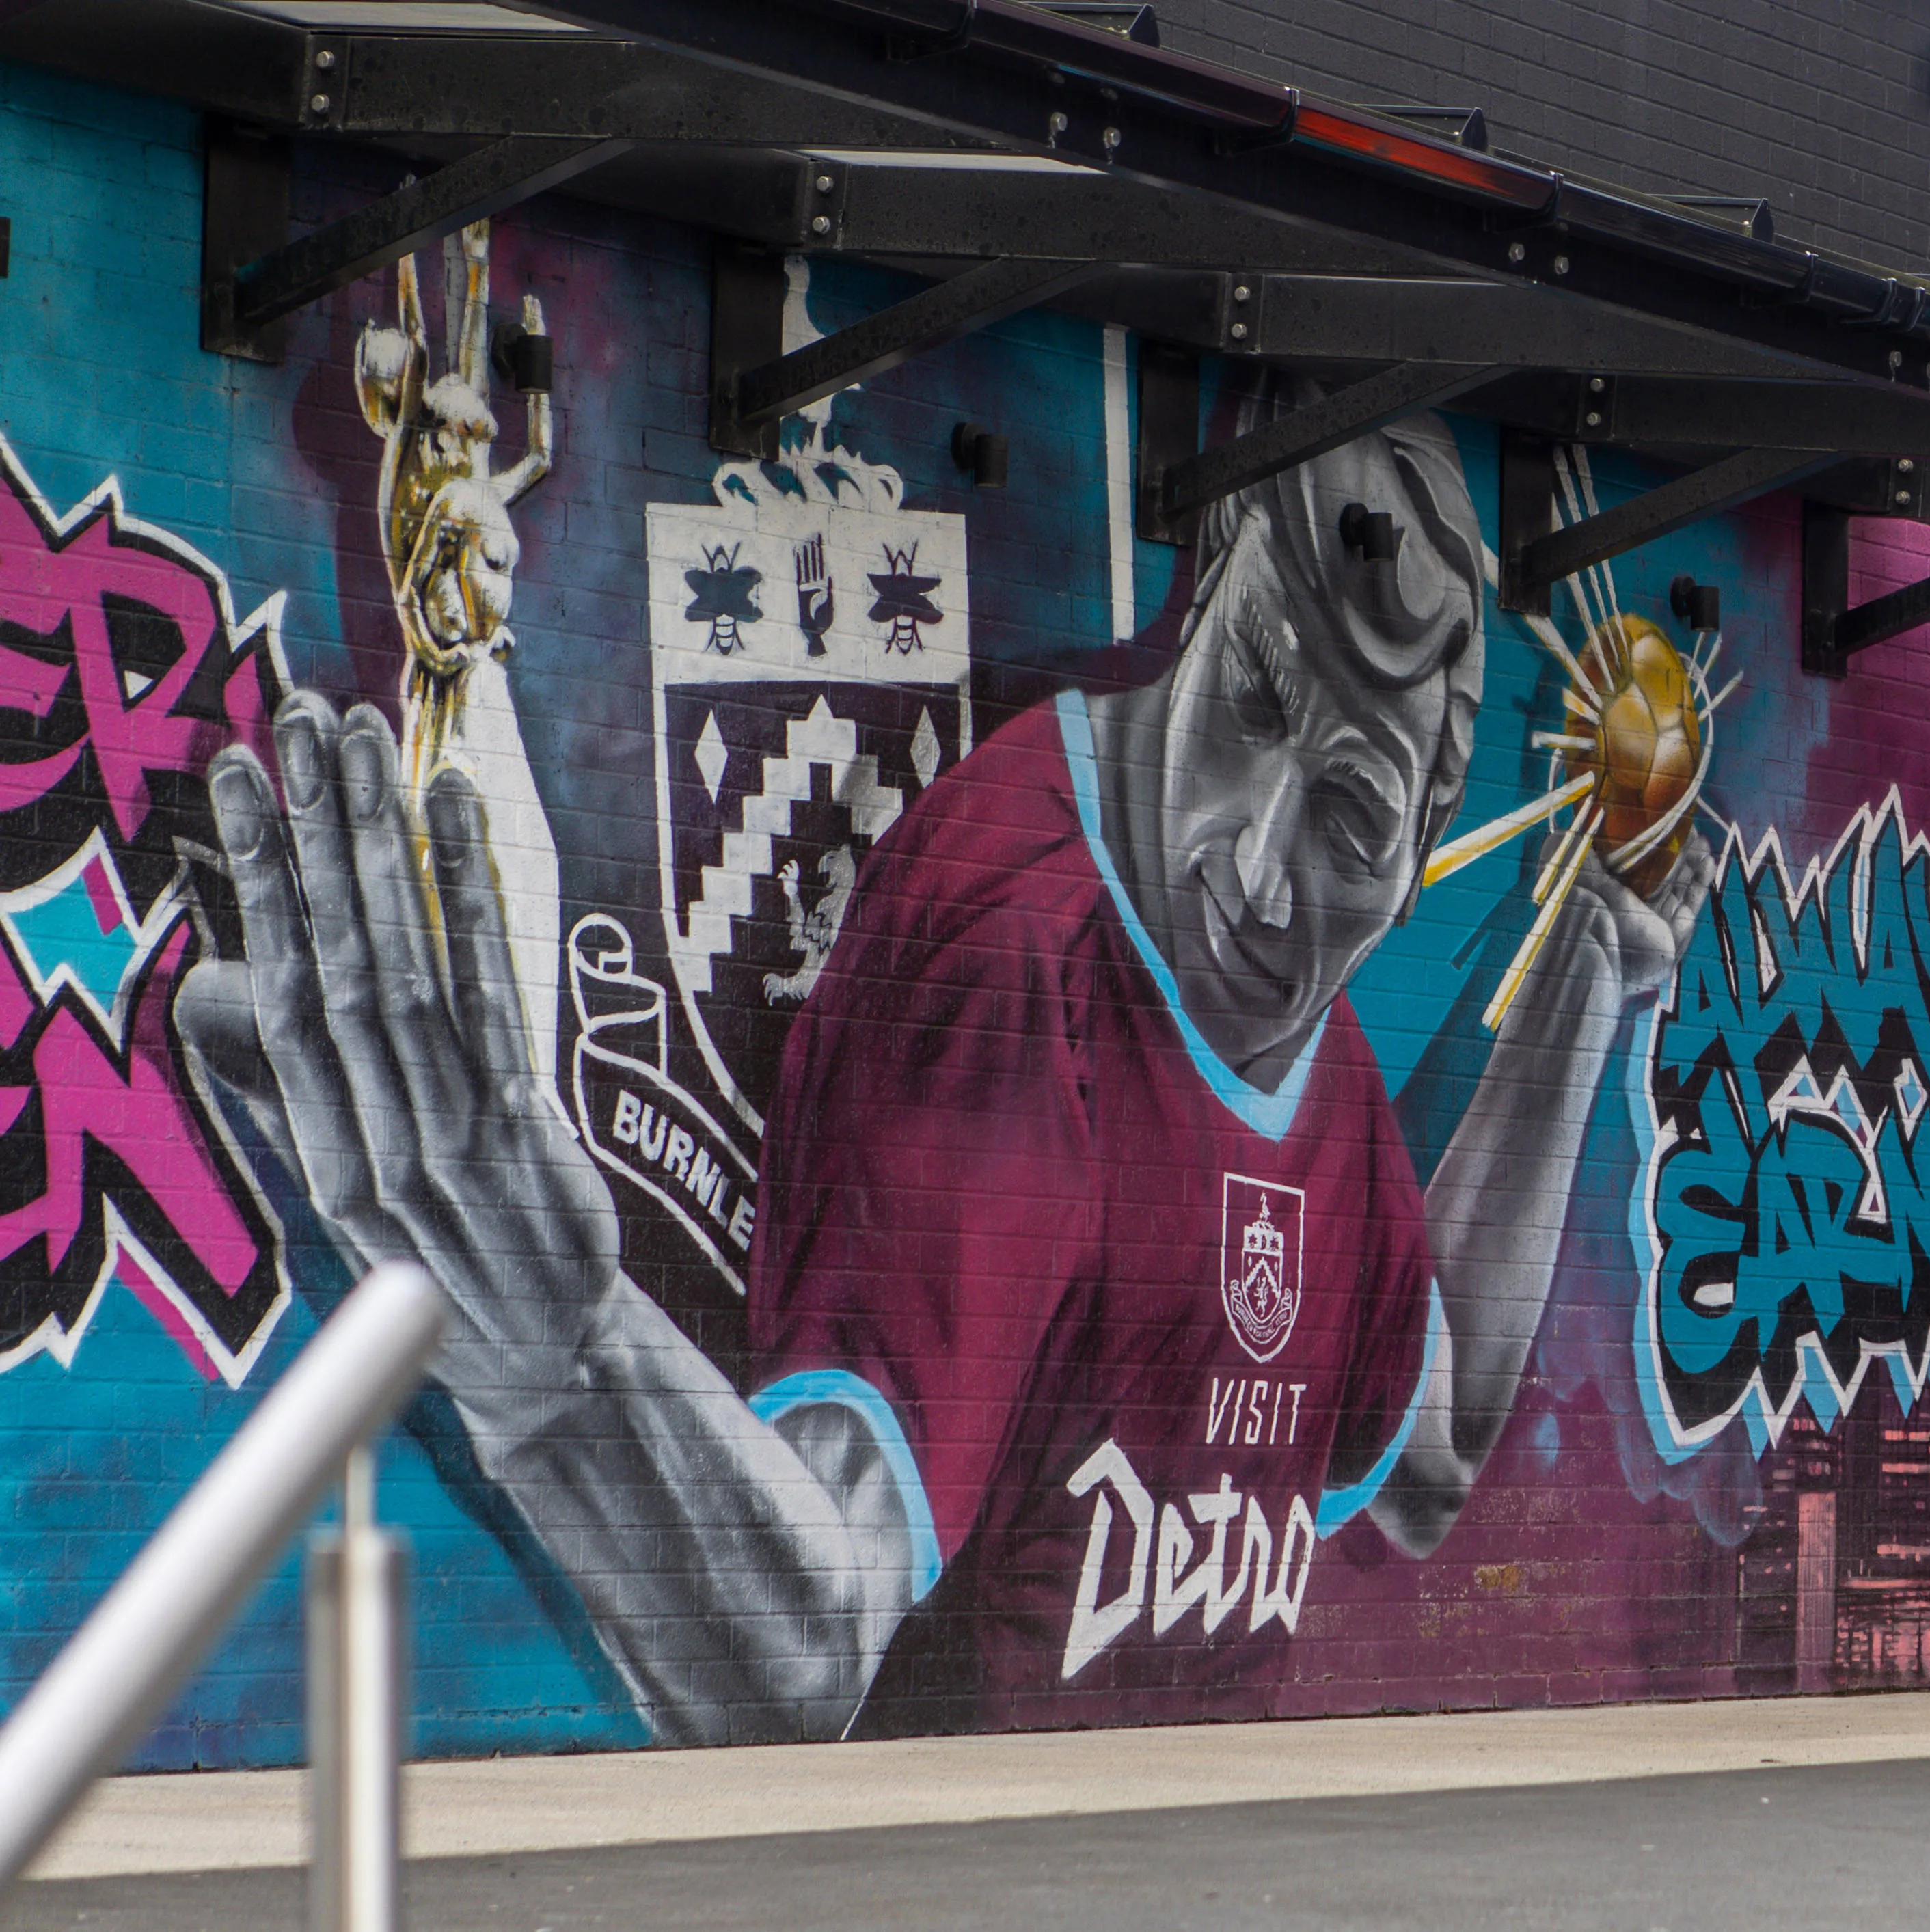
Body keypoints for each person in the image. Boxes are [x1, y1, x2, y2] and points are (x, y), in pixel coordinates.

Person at [175, 402, 1704, 1747]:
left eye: (1351, 825)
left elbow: (1428, 1453)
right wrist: (561, 1374)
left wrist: (1591, 963)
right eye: (1248, 700)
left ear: (1422, 852)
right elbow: (802, 1650)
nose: (1253, 861)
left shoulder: (1304, 1043)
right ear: (1205, 611)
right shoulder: (1013, 966)